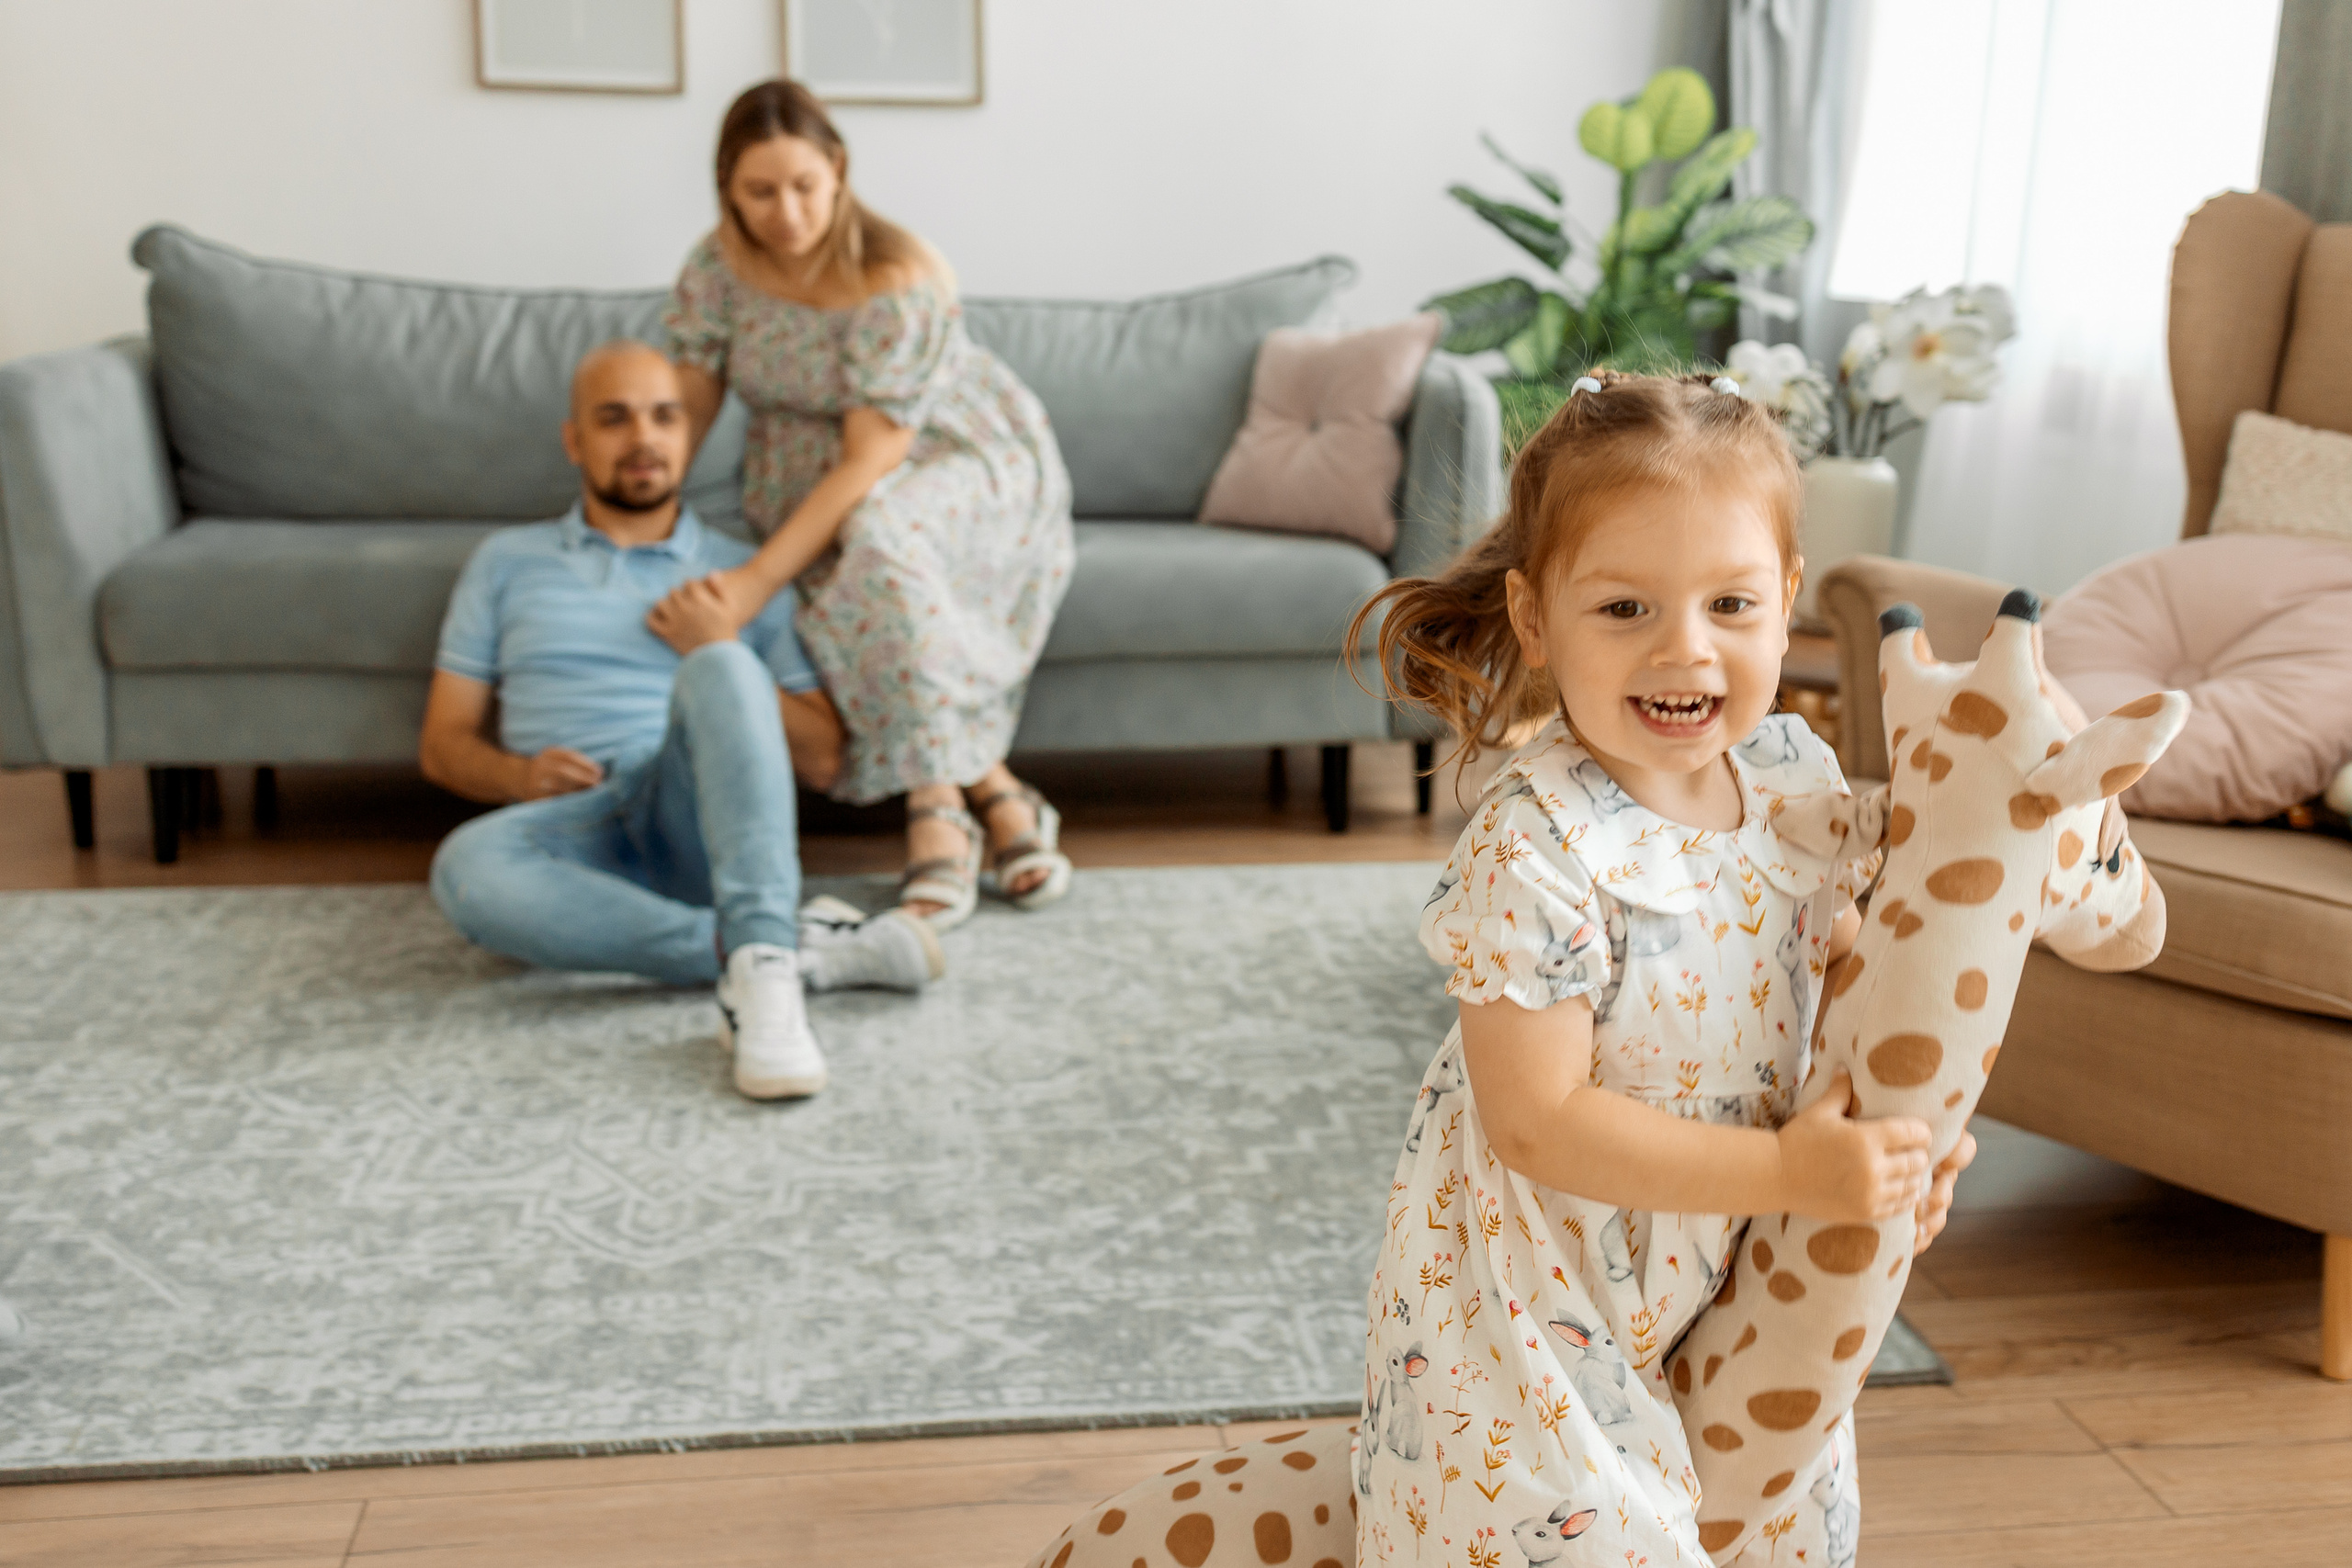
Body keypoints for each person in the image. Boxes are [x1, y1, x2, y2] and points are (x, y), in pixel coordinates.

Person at [1345, 372, 1977, 1563]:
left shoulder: (1792, 786)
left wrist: (1894, 1154)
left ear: (1786, 603)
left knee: (1777, 1523)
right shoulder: (1537, 846)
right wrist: (1789, 1169)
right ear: (1536, 619)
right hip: (1541, 1310)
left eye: (1730, 603)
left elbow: (1840, 978)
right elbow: (1534, 1119)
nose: (1685, 647)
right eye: (1625, 606)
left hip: (1733, 1263)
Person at [423, 341, 942, 1102]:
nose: (644, 438)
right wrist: (519, 774)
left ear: (688, 435)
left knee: (722, 666)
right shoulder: (505, 561)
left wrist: (718, 640)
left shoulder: (746, 572)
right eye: (614, 418)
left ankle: (763, 971)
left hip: (692, 811)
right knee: (465, 870)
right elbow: (443, 743)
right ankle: (783, 953)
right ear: (574, 440)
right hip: (573, 829)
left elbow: (825, 759)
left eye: (665, 417)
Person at [655, 79, 1077, 931]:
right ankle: (999, 790)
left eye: (804, 186)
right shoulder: (716, 268)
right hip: (802, 472)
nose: (786, 212)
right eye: (760, 191)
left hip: (955, 452)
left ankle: (935, 806)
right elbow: (690, 404)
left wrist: (752, 584)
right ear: (726, 188)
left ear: (839, 170)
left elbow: (872, 458)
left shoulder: (895, 276)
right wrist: (641, 515)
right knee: (859, 559)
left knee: (879, 539)